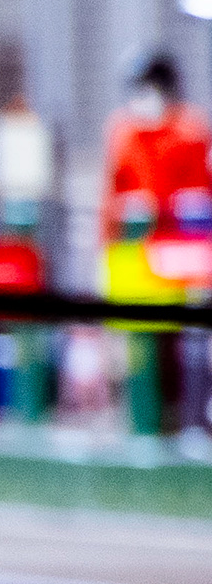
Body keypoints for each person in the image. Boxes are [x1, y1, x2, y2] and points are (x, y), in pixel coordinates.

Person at [100, 52, 212, 434]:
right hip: (135, 260)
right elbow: (112, 196)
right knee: (140, 350)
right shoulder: (124, 131)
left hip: (180, 257)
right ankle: (144, 423)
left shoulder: (190, 129)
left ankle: (183, 418)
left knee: (183, 347)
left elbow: (199, 191)